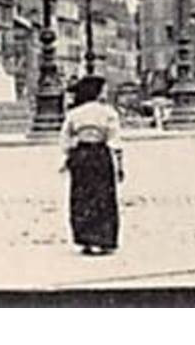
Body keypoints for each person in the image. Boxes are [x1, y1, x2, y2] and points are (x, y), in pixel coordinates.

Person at [61, 76, 124, 255]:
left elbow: (65, 139)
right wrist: (119, 165)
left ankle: (85, 238)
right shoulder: (108, 112)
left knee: (82, 197)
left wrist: (68, 157)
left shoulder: (74, 113)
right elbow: (115, 140)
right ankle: (103, 238)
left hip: (81, 155)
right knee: (103, 197)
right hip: (100, 155)